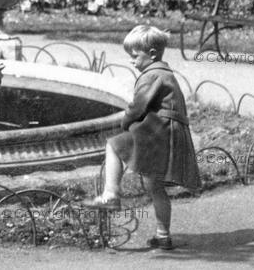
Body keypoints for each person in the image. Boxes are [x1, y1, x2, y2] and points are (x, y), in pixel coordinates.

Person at [81, 25, 201, 250]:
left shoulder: (151, 75)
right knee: (155, 186)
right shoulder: (166, 74)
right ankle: (163, 235)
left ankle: (111, 194)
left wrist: (125, 122)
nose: (132, 61)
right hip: (170, 131)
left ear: (152, 54)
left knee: (114, 145)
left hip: (159, 129)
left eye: (135, 56)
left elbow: (138, 107)